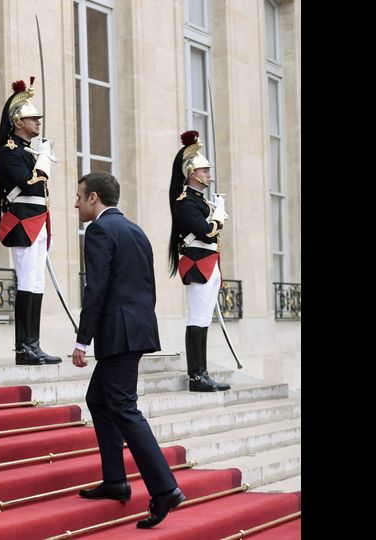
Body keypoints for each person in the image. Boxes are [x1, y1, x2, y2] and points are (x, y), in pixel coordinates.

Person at [71, 171, 184, 529]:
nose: (75, 204)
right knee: (98, 399)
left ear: (94, 198)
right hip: (136, 329)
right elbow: (147, 287)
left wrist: (82, 340)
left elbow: (96, 289)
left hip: (118, 334)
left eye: (79, 197)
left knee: (123, 407)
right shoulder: (136, 231)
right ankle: (115, 480)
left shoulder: (99, 230)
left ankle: (165, 489)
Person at [0, 79, 61, 365]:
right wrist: (43, 160)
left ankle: (34, 344)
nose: (38, 123)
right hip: (23, 224)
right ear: (18, 122)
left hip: (38, 223)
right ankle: (23, 348)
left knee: (37, 282)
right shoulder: (10, 152)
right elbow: (30, 184)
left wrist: (40, 157)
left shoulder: (27, 152)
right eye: (33, 118)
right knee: (26, 282)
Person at [167, 131, 231, 392]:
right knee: (197, 318)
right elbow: (205, 232)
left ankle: (202, 373)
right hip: (197, 265)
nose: (209, 175)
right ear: (192, 173)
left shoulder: (200, 201)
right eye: (205, 171)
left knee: (203, 319)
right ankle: (196, 376)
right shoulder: (185, 203)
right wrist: (219, 214)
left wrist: (215, 210)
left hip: (209, 263)